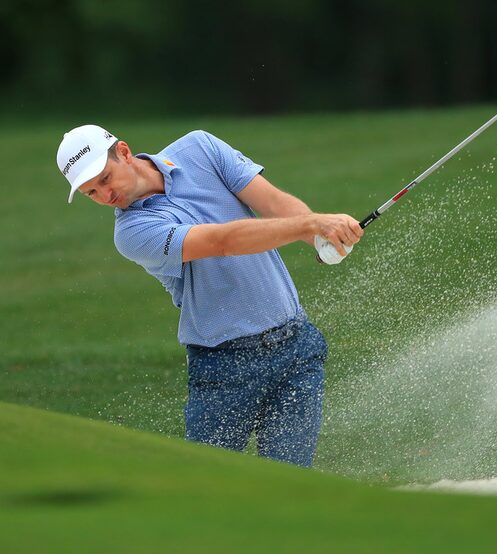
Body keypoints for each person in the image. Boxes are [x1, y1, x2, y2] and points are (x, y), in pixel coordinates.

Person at [56, 124, 362, 467]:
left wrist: (320, 239)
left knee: (290, 482)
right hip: (224, 369)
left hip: (296, 349)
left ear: (124, 152)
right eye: (91, 193)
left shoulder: (199, 148)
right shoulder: (132, 232)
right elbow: (222, 242)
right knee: (209, 489)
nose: (105, 195)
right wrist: (312, 225)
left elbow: (273, 202)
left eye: (105, 178)